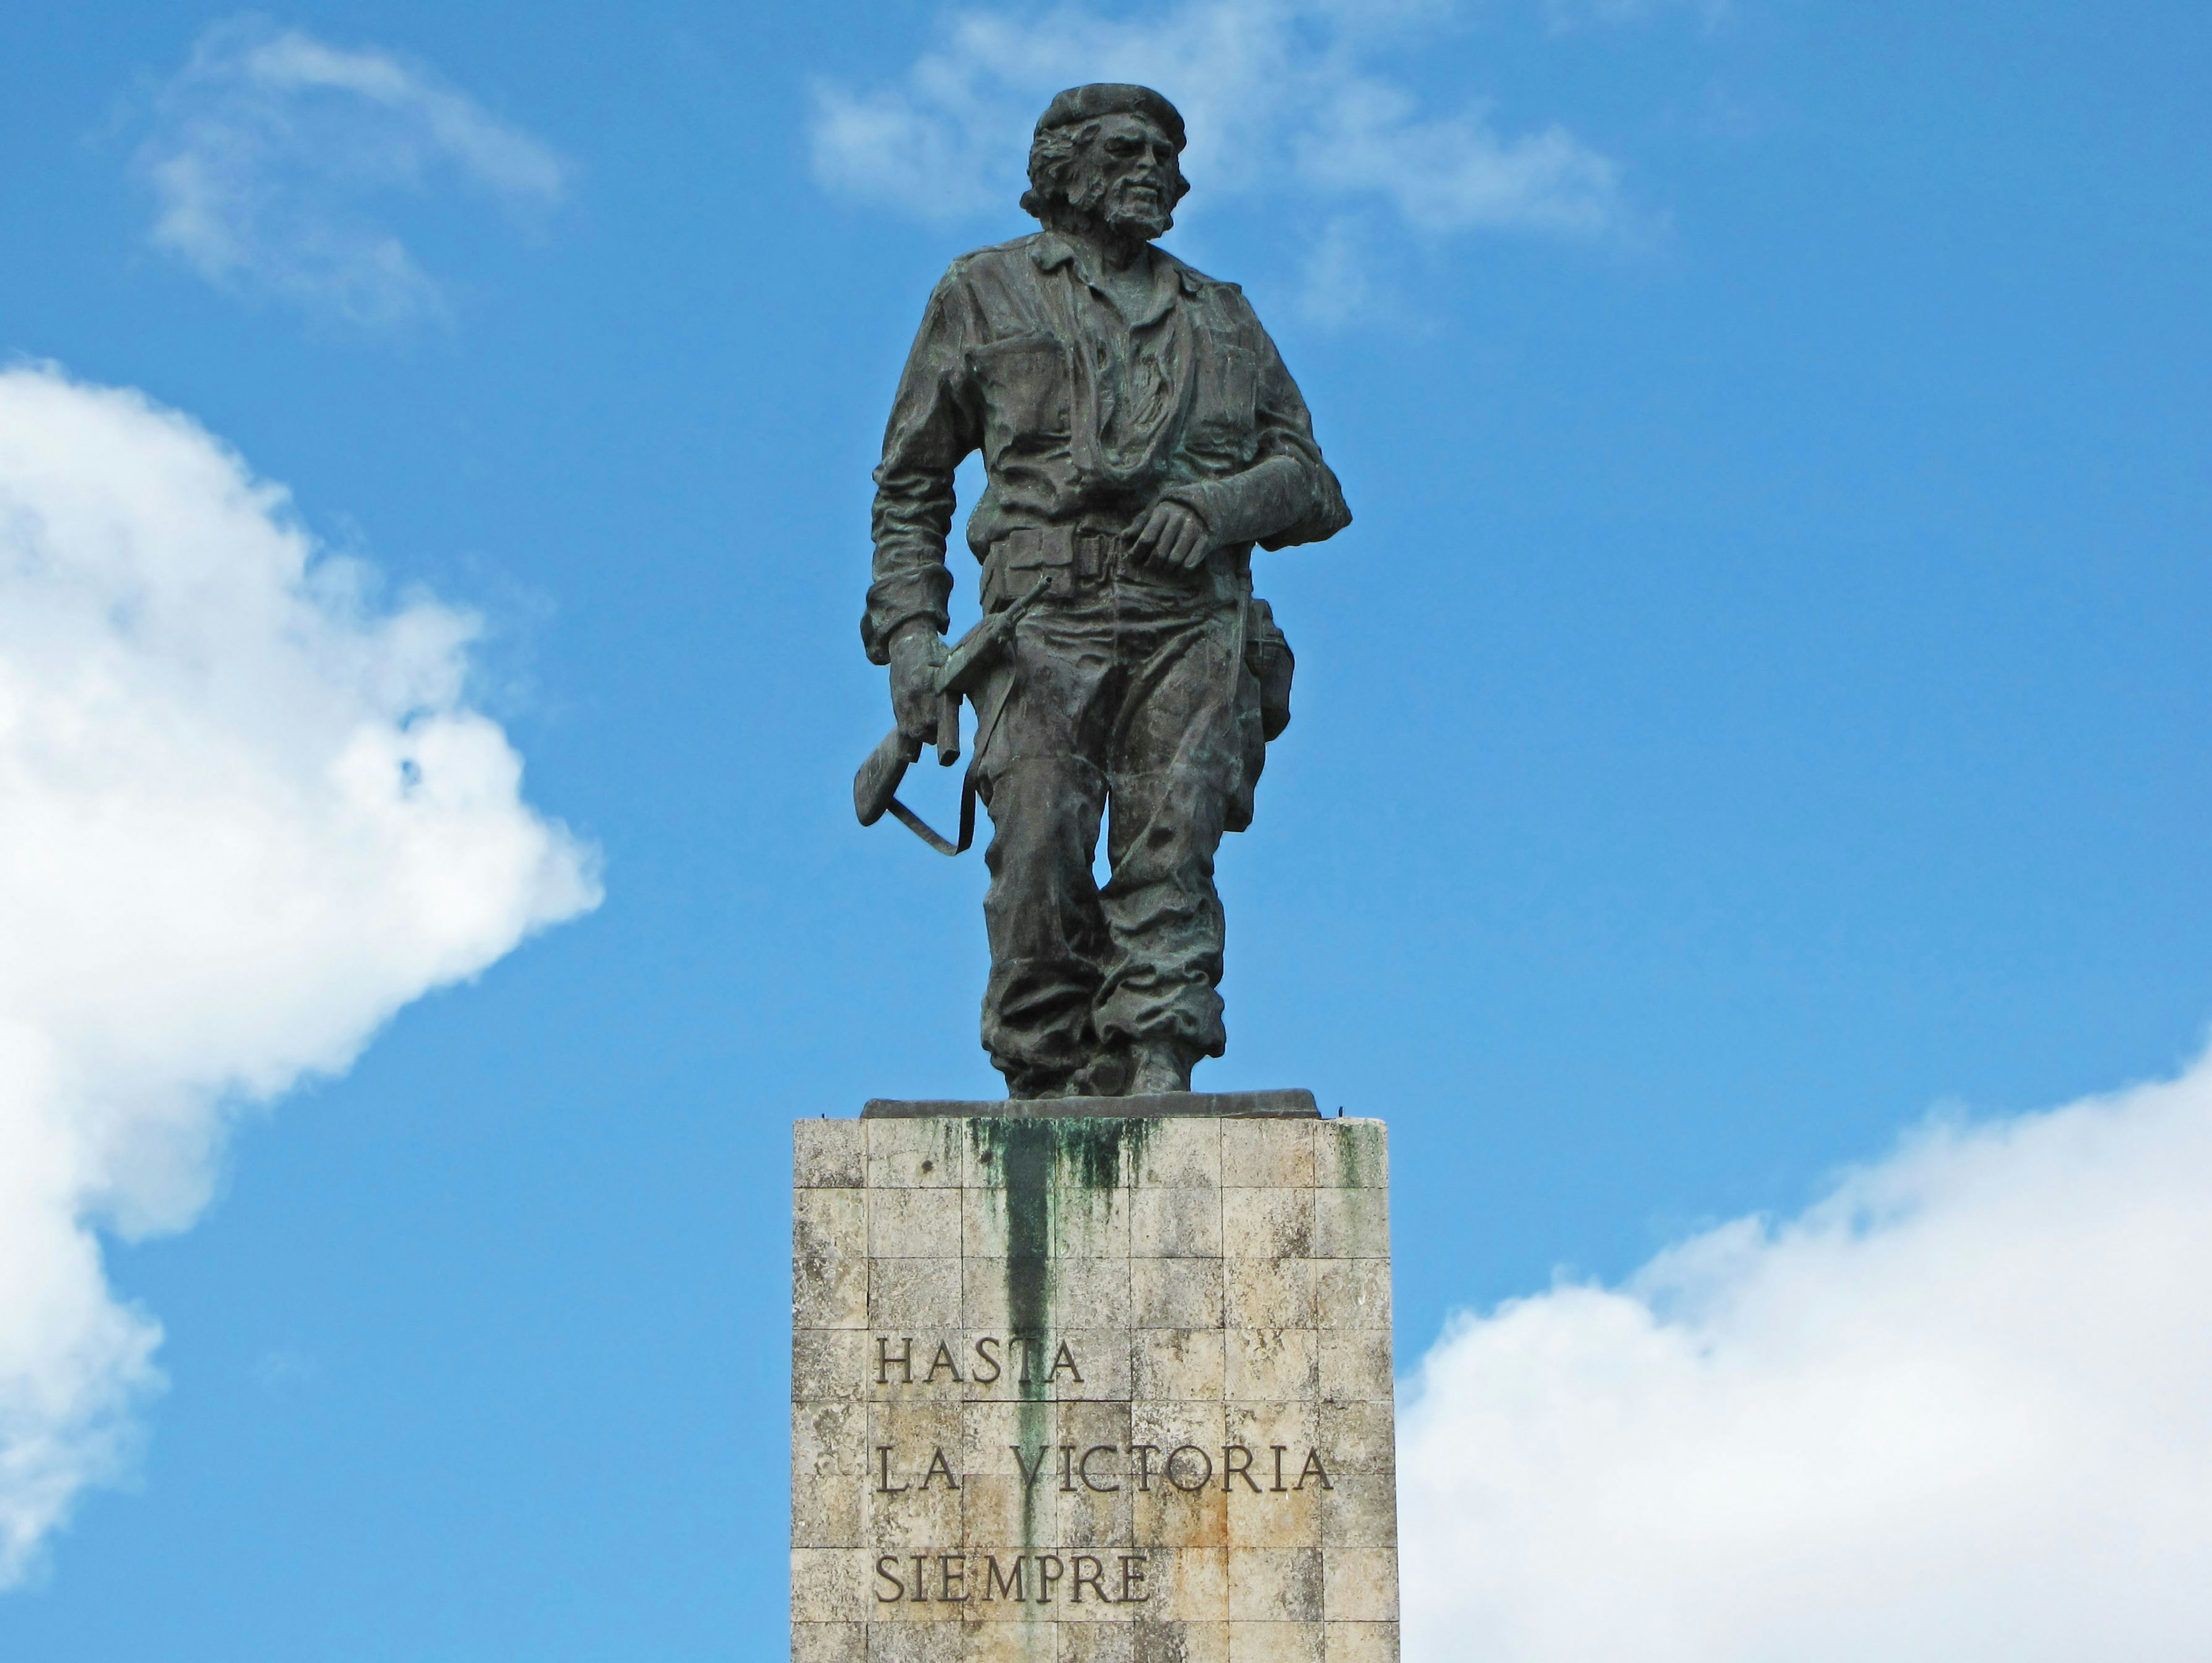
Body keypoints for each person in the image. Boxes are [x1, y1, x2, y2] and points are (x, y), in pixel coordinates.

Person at [862, 82, 1350, 1097]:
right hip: (1039, 624)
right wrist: (914, 641)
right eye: (1131, 149)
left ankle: (1159, 1063)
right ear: (1062, 167)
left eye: (1170, 155)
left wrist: (1218, 509)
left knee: (1173, 851)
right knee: (1038, 847)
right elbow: (911, 482)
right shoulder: (982, 293)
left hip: (1188, 620)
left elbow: (1311, 481)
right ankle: (1044, 1077)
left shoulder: (1222, 313)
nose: (1160, 171)